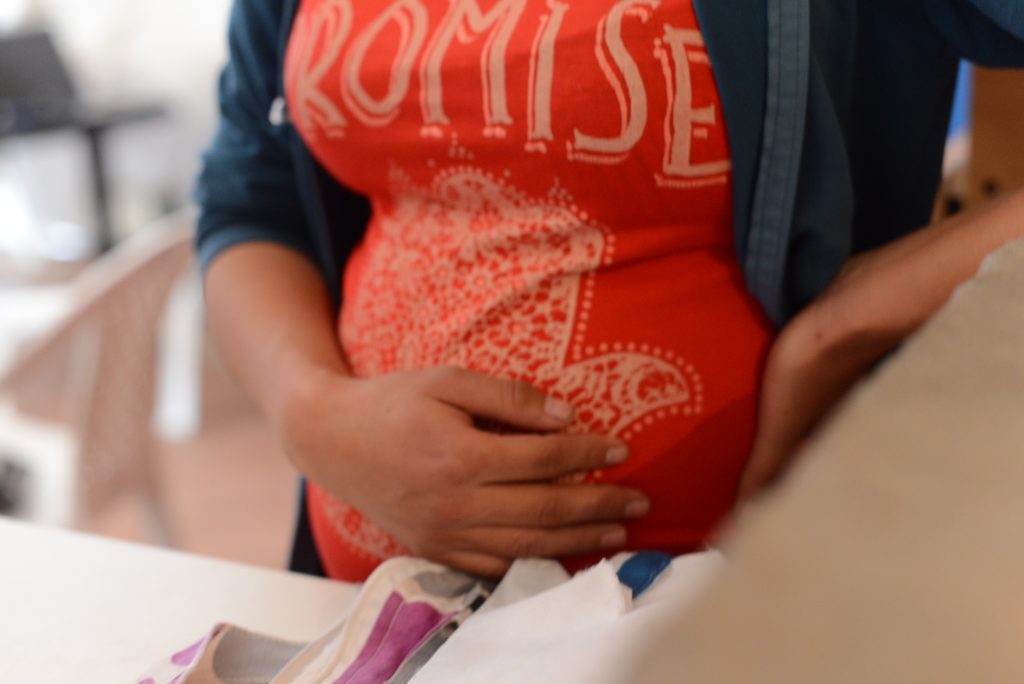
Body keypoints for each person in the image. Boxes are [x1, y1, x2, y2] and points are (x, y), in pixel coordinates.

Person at [197, 0, 1024, 581]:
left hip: (729, 618)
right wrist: (308, 414)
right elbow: (249, 194)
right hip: (366, 621)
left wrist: (849, 320)